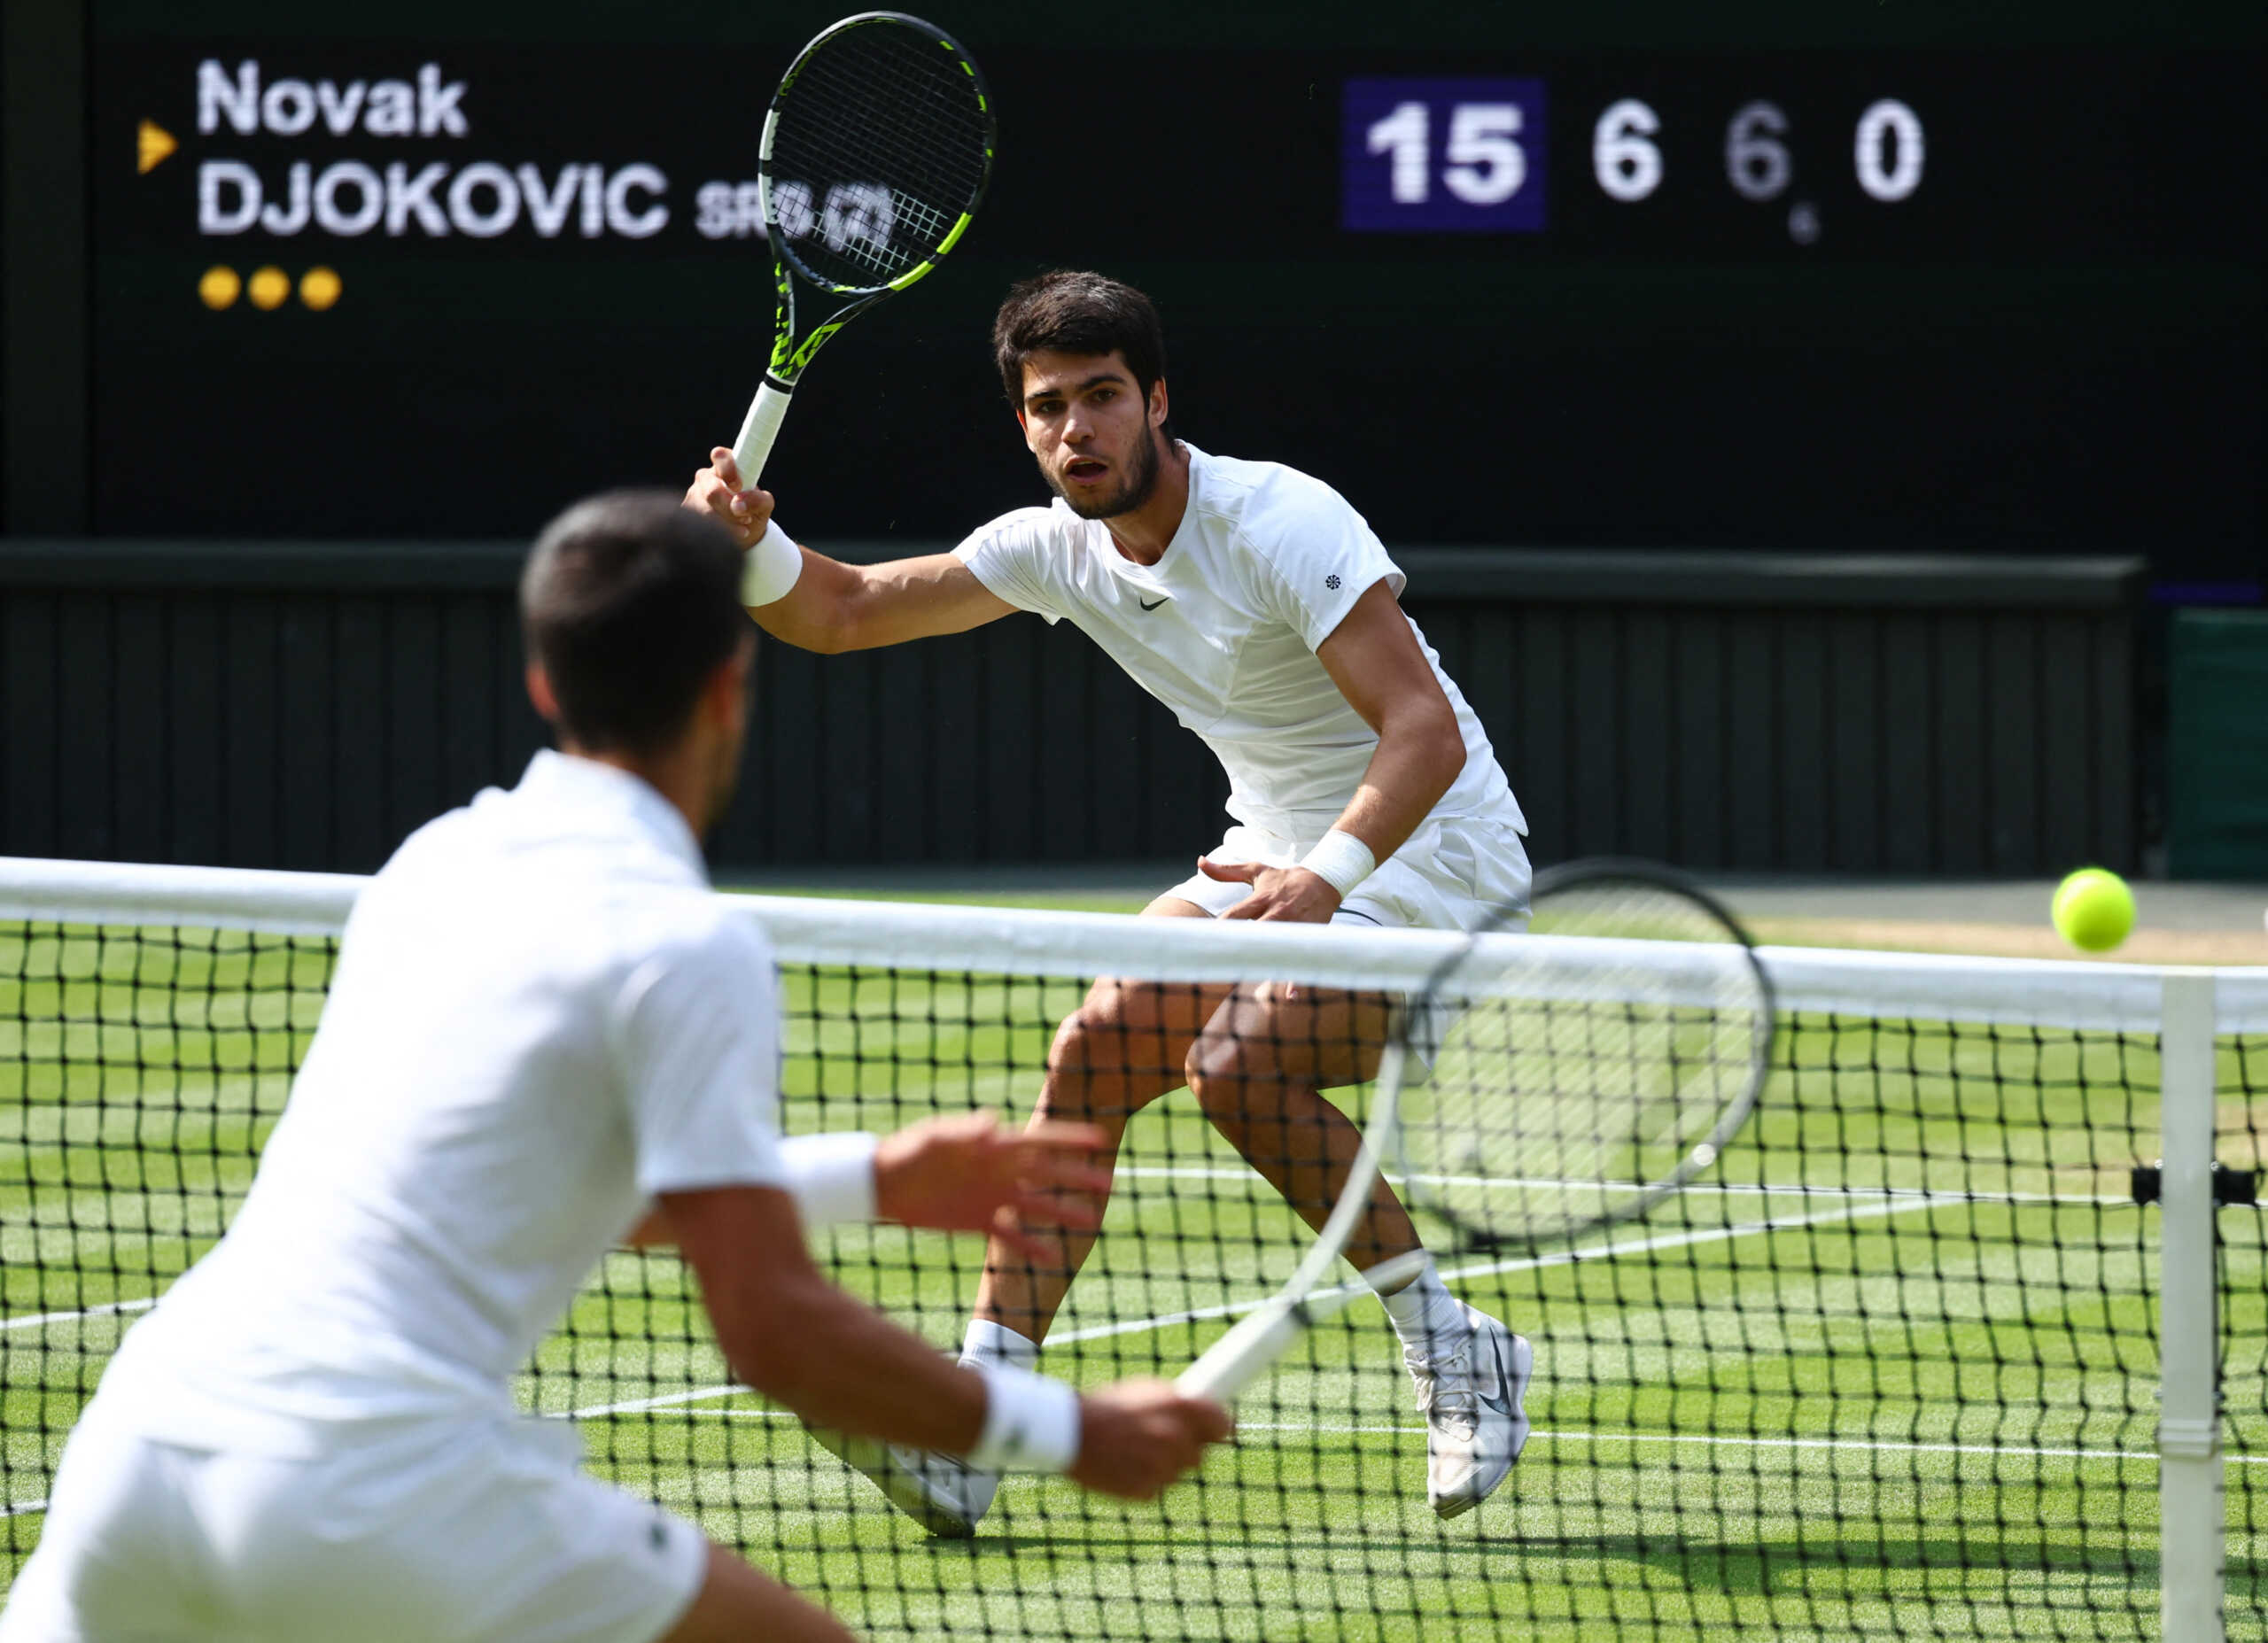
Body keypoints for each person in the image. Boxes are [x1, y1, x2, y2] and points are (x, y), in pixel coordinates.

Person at [0, 492, 1230, 1643]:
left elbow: (552, 1186)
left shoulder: (437, 861)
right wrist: (1066, 1429)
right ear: (728, 690)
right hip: (373, 1481)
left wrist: (868, 1178)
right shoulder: (685, 946)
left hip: (144, 1446)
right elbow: (772, 1329)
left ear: (545, 681)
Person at [684, 271, 1535, 1531]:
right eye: (1048, 408)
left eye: (1101, 398)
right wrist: (751, 542)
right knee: (1094, 1051)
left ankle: (1455, 1345)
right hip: (1274, 857)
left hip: (1434, 863)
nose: (1076, 429)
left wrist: (1328, 878)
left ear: (1157, 402)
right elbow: (844, 610)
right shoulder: (1052, 549)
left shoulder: (1280, 519)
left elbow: (1422, 732)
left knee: (1239, 1068)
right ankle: (975, 1421)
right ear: (1023, 425)